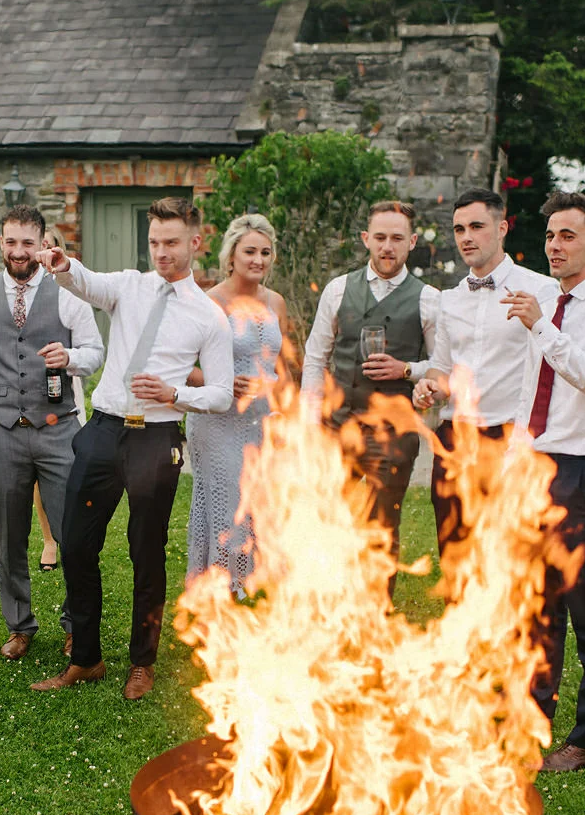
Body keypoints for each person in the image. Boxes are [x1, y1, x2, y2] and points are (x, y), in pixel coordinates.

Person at [31, 196, 234, 700]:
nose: (161, 253)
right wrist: (63, 266)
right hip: (103, 431)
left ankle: (142, 661)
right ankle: (86, 659)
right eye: (154, 243)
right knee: (75, 544)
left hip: (157, 438)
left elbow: (223, 392)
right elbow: (85, 281)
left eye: (171, 243)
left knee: (146, 553)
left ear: (195, 242)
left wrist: (176, 395)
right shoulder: (129, 286)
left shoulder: (209, 317)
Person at [502, 191, 585, 773]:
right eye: (550, 236)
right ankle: (532, 721)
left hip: (580, 476)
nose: (555, 247)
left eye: (567, 236)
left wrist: (542, 329)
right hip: (533, 468)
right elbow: (530, 395)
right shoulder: (542, 301)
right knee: (537, 607)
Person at [0, 205, 104, 661]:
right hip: (1, 431)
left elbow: (94, 351)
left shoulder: (67, 290)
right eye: (11, 242)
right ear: (1, 243)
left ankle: (77, 625)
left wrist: (69, 358)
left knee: (73, 535)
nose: (18, 251)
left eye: (27, 242)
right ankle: (20, 625)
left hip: (59, 431)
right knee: (9, 536)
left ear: (43, 243)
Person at [413, 188, 559, 555]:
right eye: (459, 229)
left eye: (476, 226)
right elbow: (442, 368)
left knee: (510, 554)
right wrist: (429, 386)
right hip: (454, 439)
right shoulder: (450, 299)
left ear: (502, 229)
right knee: (454, 549)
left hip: (509, 437)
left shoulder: (541, 290)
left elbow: (557, 363)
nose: (466, 237)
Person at [301, 200, 439, 581]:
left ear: (412, 242)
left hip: (392, 433)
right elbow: (315, 358)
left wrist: (408, 368)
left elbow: (443, 367)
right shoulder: (338, 289)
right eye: (380, 237)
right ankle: (325, 608)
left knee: (381, 527)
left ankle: (375, 618)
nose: (387, 247)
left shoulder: (428, 299)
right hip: (337, 423)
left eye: (397, 238)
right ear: (366, 239)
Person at [184, 213, 287, 594]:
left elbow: (284, 367)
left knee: (256, 502)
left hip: (261, 420)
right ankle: (216, 584)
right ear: (231, 256)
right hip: (217, 421)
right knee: (228, 502)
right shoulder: (209, 303)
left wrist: (282, 403)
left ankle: (244, 577)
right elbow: (181, 369)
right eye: (249, 252)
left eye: (265, 252)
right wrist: (222, 382)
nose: (258, 259)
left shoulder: (276, 301)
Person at [34, 225, 85, 572]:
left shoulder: (70, 290)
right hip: (32, 387)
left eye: (50, 247)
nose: (43, 252)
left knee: (66, 464)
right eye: (39, 246)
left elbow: (85, 344)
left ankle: (70, 533)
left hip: (65, 382)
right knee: (36, 471)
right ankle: (49, 539)